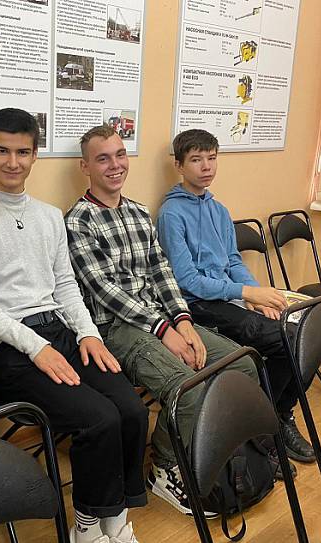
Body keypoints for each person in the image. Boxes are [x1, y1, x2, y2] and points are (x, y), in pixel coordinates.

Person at [0, 108, 147, 543]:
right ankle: (87, 527)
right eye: (2, 151)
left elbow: (65, 285)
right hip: (13, 351)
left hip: (62, 332)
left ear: (35, 155)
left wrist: (88, 333)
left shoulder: (49, 216)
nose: (12, 162)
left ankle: (116, 520)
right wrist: (35, 347)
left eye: (23, 152)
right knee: (99, 419)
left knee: (131, 410)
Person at [64, 125, 259, 516]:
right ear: (86, 167)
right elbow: (105, 291)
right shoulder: (78, 221)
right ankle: (166, 468)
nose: (115, 165)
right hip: (116, 328)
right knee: (188, 389)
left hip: (163, 318)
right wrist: (164, 329)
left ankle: (207, 445)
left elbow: (162, 273)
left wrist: (183, 322)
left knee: (243, 365)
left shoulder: (138, 212)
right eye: (103, 159)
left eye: (120, 155)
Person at [157, 128, 315, 464]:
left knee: (305, 334)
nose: (206, 167)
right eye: (196, 160)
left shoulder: (219, 210)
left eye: (211, 158)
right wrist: (246, 292)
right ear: (179, 165)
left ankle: (279, 416)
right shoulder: (171, 214)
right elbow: (187, 280)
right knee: (285, 340)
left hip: (229, 297)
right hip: (199, 305)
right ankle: (264, 426)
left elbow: (232, 261)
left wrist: (256, 296)